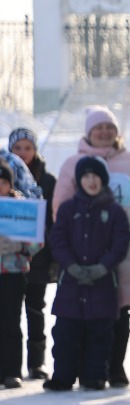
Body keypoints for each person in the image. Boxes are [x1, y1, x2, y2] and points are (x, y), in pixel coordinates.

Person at [50, 106, 130, 388]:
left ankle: (113, 367)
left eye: (109, 127)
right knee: (81, 313)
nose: (104, 132)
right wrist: (70, 257)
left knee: (119, 310)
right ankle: (79, 370)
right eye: (98, 128)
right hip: (82, 252)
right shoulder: (73, 163)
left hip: (125, 250)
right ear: (88, 132)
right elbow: (60, 208)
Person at [45, 157, 130, 391]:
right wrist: (71, 266)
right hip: (70, 284)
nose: (91, 181)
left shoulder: (114, 211)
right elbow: (58, 240)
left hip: (103, 283)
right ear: (79, 180)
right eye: (86, 176)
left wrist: (102, 267)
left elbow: (120, 243)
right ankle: (63, 376)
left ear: (103, 180)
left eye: (96, 177)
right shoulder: (68, 209)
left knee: (100, 335)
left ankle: (94, 377)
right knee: (65, 334)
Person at [9, 128, 57, 380]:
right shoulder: (4, 177)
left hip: (39, 254)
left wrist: (52, 253)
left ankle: (37, 362)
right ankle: (10, 364)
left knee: (36, 308)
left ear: (35, 150)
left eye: (28, 148)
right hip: (10, 258)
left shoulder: (47, 180)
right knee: (9, 311)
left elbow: (53, 219)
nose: (23, 153)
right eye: (17, 148)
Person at [0, 161, 43, 389]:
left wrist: (20, 247)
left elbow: (37, 241)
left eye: (3, 182)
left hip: (13, 272)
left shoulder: (22, 207)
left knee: (10, 321)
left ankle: (11, 371)